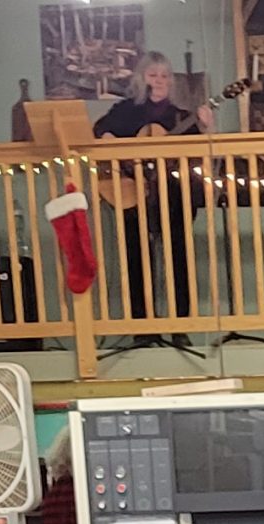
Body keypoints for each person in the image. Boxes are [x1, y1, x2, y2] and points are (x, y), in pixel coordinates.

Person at [94, 52, 201, 330]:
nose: (160, 81)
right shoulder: (125, 111)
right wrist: (106, 136)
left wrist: (205, 126)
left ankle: (181, 326)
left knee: (178, 256)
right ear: (141, 78)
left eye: (165, 75)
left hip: (173, 194)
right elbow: (101, 128)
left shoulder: (181, 116)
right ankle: (142, 327)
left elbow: (197, 151)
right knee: (136, 258)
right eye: (153, 75)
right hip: (131, 191)